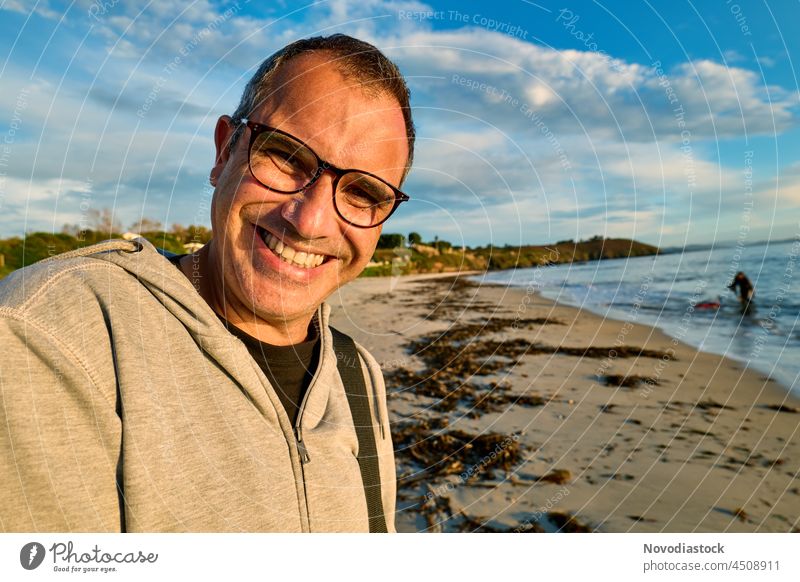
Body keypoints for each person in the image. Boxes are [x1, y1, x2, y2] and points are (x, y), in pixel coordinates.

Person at [0, 34, 414, 532]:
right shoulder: (60, 335)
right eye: (285, 156)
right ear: (224, 152)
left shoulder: (357, 374)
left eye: (363, 192)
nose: (311, 222)